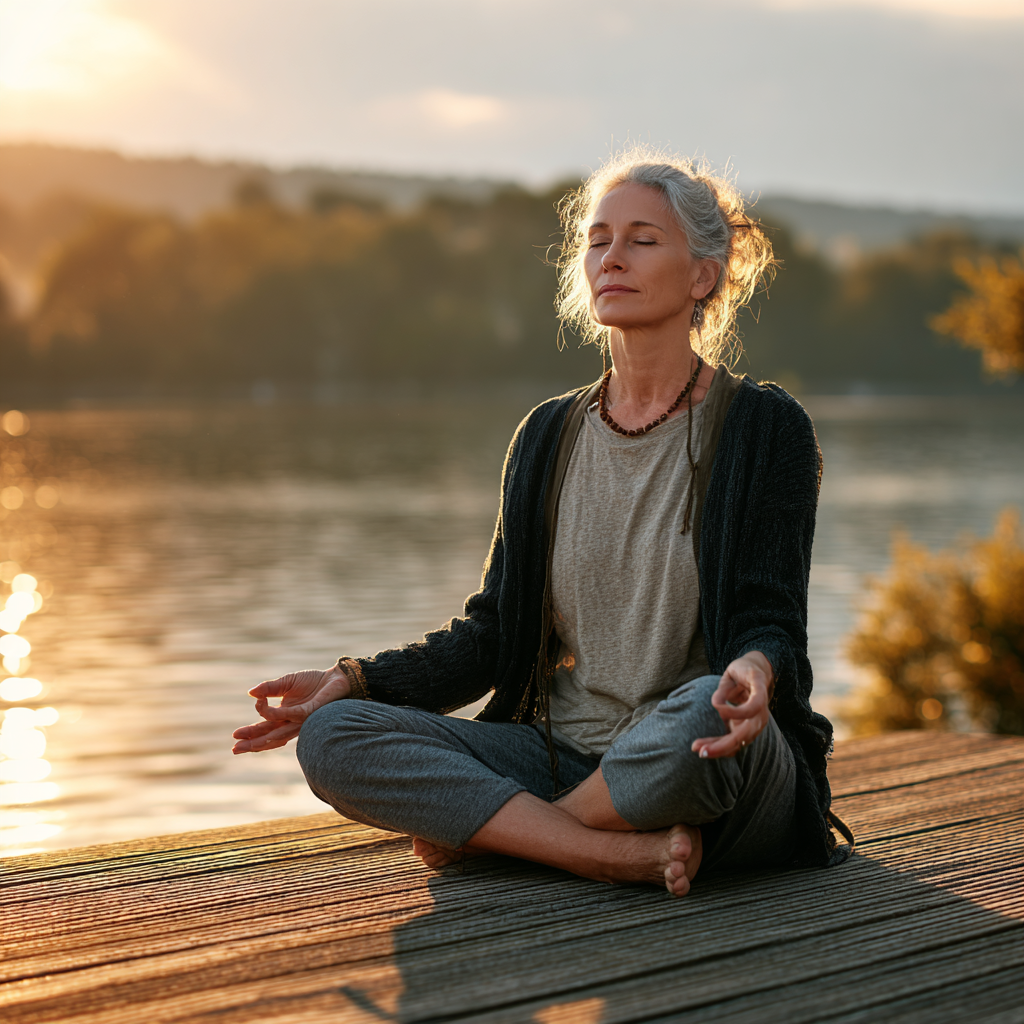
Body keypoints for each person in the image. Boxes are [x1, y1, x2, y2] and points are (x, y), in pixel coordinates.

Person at [232, 149, 852, 896]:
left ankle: (521, 835)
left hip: (706, 756)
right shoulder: (547, 435)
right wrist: (354, 679)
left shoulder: (764, 429)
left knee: (704, 708)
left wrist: (755, 669)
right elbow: (493, 633)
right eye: (597, 239)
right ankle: (602, 849)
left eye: (641, 239)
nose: (611, 256)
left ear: (702, 275)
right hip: (560, 750)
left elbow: (769, 620)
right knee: (335, 738)